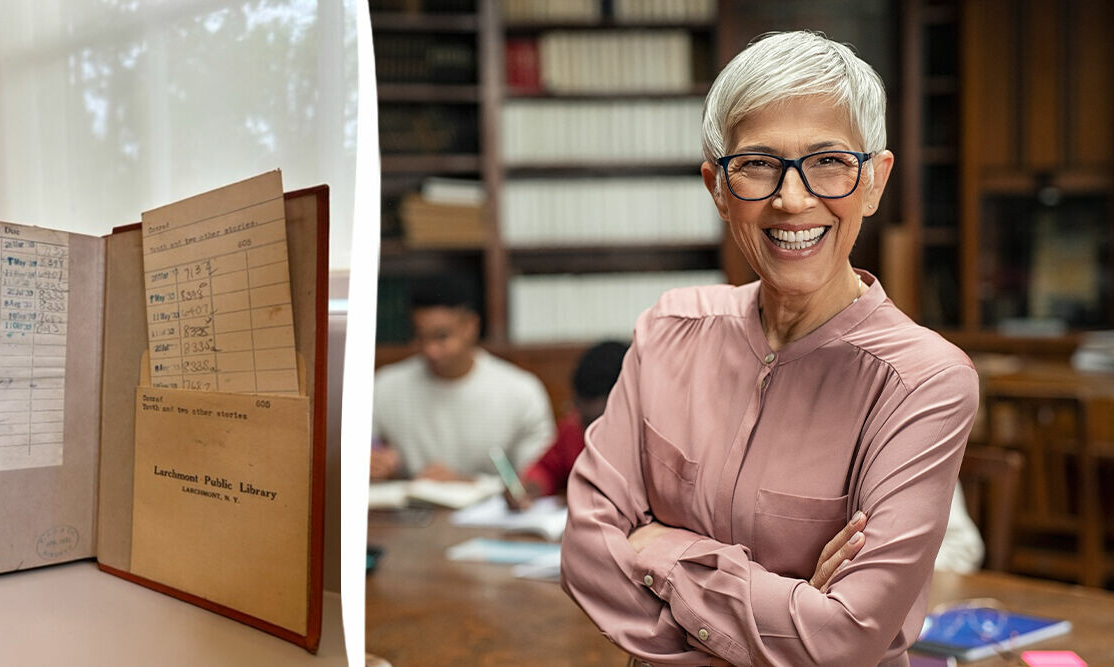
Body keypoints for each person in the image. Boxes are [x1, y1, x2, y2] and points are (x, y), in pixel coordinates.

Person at [559, 31, 979, 666]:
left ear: (874, 181)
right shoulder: (667, 331)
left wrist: (661, 550)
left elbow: (843, 639)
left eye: (829, 161)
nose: (792, 198)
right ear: (718, 188)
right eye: (757, 163)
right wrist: (791, 606)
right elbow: (586, 553)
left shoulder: (924, 382)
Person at [371, 279, 555, 481]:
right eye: (420, 337)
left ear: (471, 326)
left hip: (490, 510)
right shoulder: (385, 386)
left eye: (441, 336)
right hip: (406, 509)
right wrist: (371, 462)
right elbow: (356, 450)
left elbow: (538, 479)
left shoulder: (521, 391)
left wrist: (467, 482)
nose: (430, 350)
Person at [518, 340, 629, 501]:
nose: (587, 431)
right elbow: (546, 468)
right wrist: (532, 486)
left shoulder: (651, 440)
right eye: (578, 409)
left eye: (595, 421)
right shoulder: (573, 426)